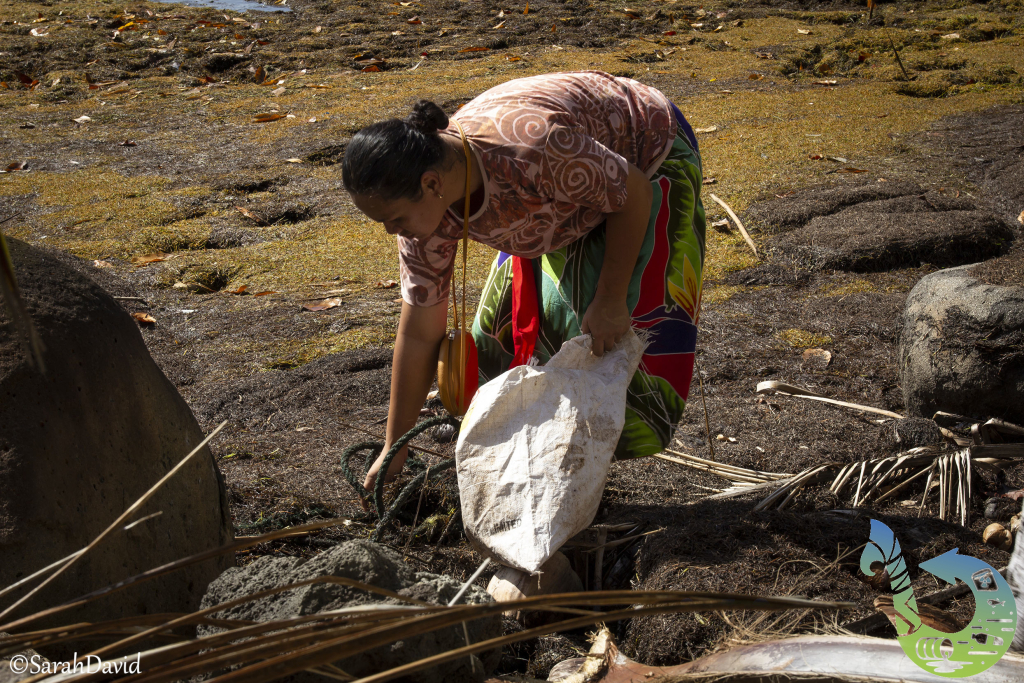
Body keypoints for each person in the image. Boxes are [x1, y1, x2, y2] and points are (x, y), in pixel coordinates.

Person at [342, 71, 706, 491]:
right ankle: (543, 464)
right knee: (496, 352)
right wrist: (395, 446)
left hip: (644, 157)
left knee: (622, 357)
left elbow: (632, 194)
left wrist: (609, 299)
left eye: (394, 219)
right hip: (556, 196)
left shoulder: (529, 149)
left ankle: (575, 473)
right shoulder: (426, 215)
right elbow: (421, 332)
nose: (392, 233)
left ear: (431, 184)